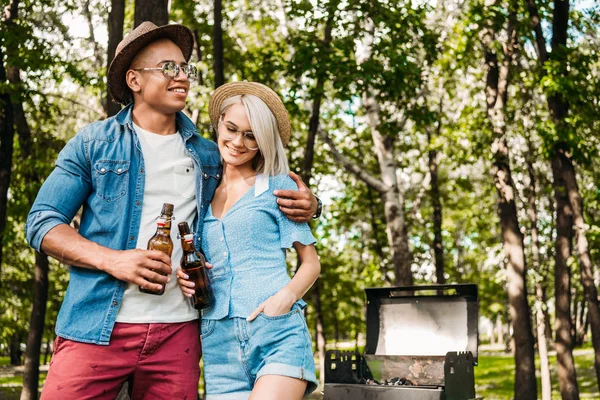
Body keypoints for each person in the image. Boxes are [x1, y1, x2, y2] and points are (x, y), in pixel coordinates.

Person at [25, 22, 318, 399]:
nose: (182, 76)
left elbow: (255, 196)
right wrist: (114, 260)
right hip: (97, 324)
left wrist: (312, 204)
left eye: (185, 68)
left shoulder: (211, 155)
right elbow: (42, 222)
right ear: (134, 79)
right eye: (168, 68)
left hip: (179, 333)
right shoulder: (93, 144)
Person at [177, 82, 321, 400]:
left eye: (251, 135)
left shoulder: (278, 186)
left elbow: (311, 263)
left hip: (276, 331)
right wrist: (184, 276)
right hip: (219, 343)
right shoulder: (201, 194)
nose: (238, 142)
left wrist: (282, 301)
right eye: (232, 129)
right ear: (220, 122)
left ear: (262, 141)